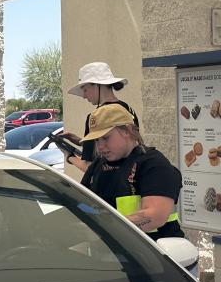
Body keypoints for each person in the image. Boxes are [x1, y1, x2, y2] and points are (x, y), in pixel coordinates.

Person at [79, 104, 184, 240]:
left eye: (105, 138)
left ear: (127, 131)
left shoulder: (154, 165)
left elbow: (155, 216)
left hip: (153, 255)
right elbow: (80, 204)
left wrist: (104, 228)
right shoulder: (98, 165)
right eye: (97, 140)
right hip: (109, 253)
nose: (100, 146)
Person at [64, 62, 139, 173]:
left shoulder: (95, 117)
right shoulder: (127, 110)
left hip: (109, 184)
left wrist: (69, 156)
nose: (84, 96)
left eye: (85, 89)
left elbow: (89, 169)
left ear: (97, 85)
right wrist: (81, 142)